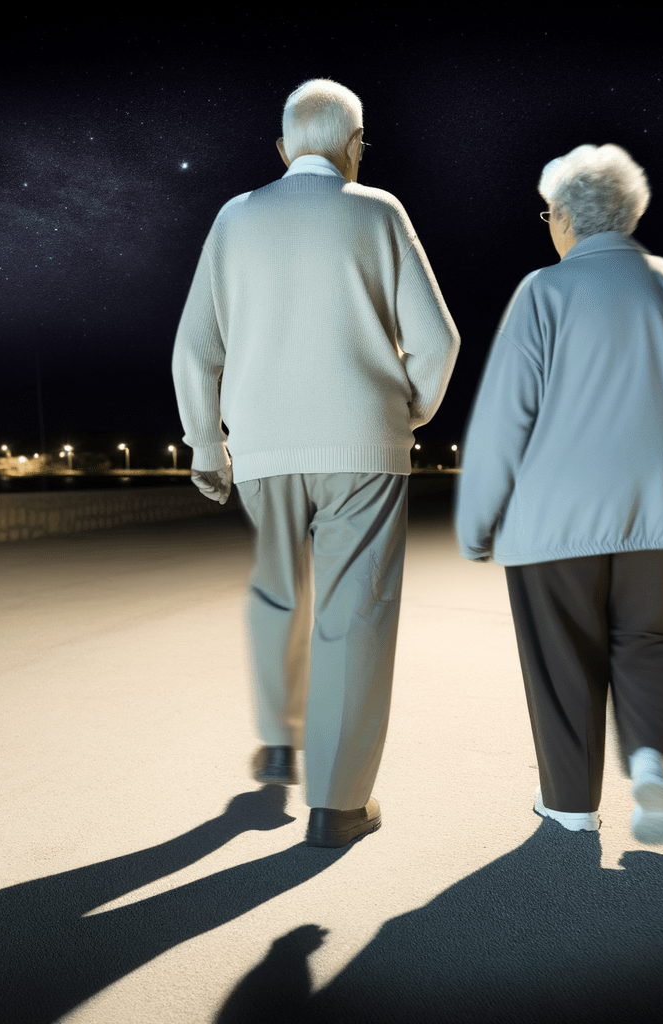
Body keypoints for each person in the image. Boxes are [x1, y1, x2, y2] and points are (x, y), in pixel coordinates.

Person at [171, 79, 460, 848]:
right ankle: (337, 805)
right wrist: (407, 409)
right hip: (364, 447)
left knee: (278, 589)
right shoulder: (379, 211)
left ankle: (277, 733)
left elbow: (194, 349)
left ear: (281, 149)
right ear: (355, 146)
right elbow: (439, 341)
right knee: (353, 616)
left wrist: (208, 444)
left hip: (263, 452)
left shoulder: (234, 217)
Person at [454, 144, 663, 844]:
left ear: (562, 219)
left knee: (563, 659)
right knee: (648, 640)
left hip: (555, 523)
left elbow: (503, 419)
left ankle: (570, 804)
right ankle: (648, 765)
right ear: (629, 213)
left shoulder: (543, 292)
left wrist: (477, 523)